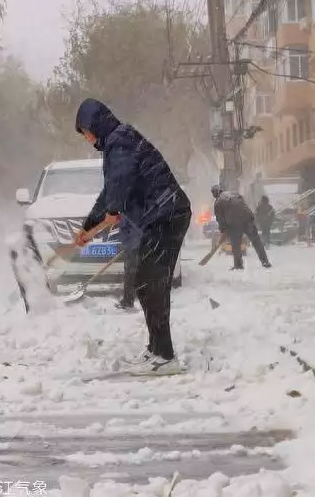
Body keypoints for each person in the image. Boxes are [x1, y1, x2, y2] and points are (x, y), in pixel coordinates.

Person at [73, 98, 191, 375]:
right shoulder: (117, 141)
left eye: (85, 131)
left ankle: (165, 357)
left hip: (166, 214)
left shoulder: (119, 142)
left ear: (95, 125)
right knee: (145, 283)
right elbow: (110, 191)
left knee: (152, 284)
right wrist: (89, 224)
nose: (87, 138)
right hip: (160, 215)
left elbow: (120, 182)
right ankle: (156, 350)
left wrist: (113, 209)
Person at [211, 185, 271, 270]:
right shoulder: (234, 194)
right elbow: (243, 203)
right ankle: (265, 262)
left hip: (234, 224)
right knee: (256, 241)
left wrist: (223, 230)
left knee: (236, 245)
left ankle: (238, 265)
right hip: (247, 218)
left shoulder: (218, 203)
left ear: (214, 193)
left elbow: (220, 219)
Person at [115, 215, 139, 312]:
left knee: (130, 273)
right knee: (130, 273)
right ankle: (128, 300)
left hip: (137, 246)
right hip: (134, 247)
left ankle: (128, 301)